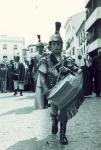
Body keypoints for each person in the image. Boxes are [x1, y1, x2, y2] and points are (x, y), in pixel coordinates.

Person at [35, 22, 84, 145]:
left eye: (59, 44)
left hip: (64, 90)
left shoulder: (67, 59)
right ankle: (53, 121)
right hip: (52, 90)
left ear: (62, 45)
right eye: (54, 44)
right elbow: (41, 75)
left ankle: (62, 135)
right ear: (50, 46)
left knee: (63, 112)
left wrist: (69, 69)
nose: (56, 46)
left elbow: (77, 70)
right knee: (54, 111)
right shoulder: (45, 60)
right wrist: (45, 89)